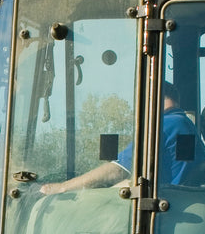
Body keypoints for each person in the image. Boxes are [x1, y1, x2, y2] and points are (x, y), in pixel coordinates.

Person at [40, 82, 195, 194]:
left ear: (151, 99)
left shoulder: (166, 124)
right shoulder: (181, 123)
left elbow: (117, 171)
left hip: (167, 209)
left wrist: (62, 187)